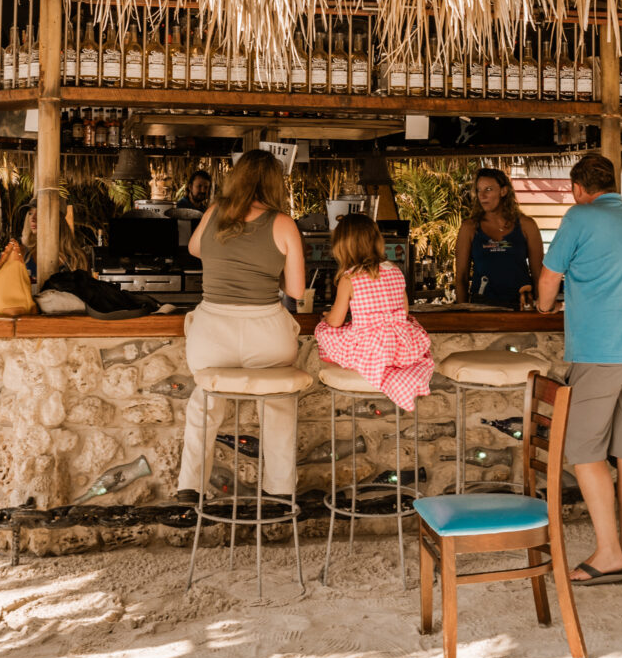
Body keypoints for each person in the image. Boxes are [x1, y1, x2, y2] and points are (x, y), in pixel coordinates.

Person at [536, 153, 622, 585]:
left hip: (602, 351)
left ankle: (608, 552)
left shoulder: (580, 215)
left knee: (583, 449)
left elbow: (549, 278)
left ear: (578, 188)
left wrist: (543, 306)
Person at [174, 149, 307, 504]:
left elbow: (194, 248)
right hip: (267, 335)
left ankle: (189, 486)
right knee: (278, 402)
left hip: (211, 334)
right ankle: (280, 491)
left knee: (205, 398)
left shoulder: (216, 211)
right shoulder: (283, 223)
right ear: (275, 183)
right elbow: (295, 291)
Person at [314, 212, 433, 410]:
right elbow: (403, 312)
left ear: (341, 246)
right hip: (399, 348)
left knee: (325, 331)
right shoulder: (394, 270)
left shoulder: (349, 278)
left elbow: (335, 321)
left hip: (370, 351)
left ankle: (341, 362)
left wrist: (326, 318)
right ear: (376, 240)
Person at [452, 167, 545, 308]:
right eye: (478, 190)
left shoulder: (527, 225)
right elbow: (461, 278)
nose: (482, 196)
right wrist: (463, 314)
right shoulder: (469, 228)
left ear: (503, 191)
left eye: (488, 189)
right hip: (481, 307)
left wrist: (540, 310)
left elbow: (539, 275)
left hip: (520, 306)